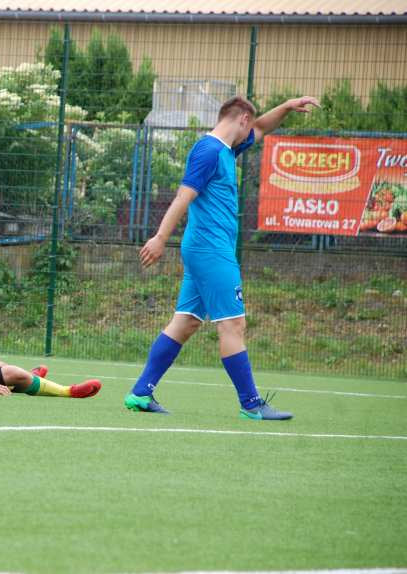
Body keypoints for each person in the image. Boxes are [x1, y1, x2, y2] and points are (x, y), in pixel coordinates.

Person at [125, 95, 320, 420]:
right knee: (233, 324)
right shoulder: (209, 151)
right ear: (241, 118)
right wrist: (160, 238)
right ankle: (251, 404)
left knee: (185, 322)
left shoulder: (227, 150)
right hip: (210, 250)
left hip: (208, 249)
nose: (251, 135)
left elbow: (260, 127)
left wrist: (286, 108)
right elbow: (182, 197)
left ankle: (140, 393)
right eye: (249, 124)